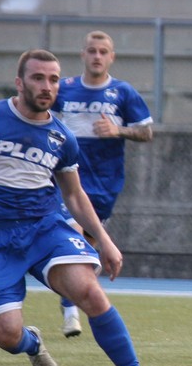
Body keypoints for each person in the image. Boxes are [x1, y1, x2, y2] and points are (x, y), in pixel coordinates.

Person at [0, 49, 169, 366]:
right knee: (7, 336)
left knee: (90, 293)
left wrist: (104, 239)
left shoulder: (61, 137)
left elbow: (74, 195)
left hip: (43, 230)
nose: (47, 86)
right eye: (38, 78)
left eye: (53, 79)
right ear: (19, 82)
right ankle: (33, 344)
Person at [53, 30, 154, 338]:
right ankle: (70, 311)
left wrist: (118, 130)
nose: (97, 56)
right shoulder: (63, 89)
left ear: (112, 57)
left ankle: (71, 302)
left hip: (104, 185)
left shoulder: (123, 93)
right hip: (68, 181)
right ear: (83, 54)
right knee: (70, 238)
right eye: (92, 50)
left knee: (85, 252)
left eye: (103, 51)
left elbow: (146, 132)